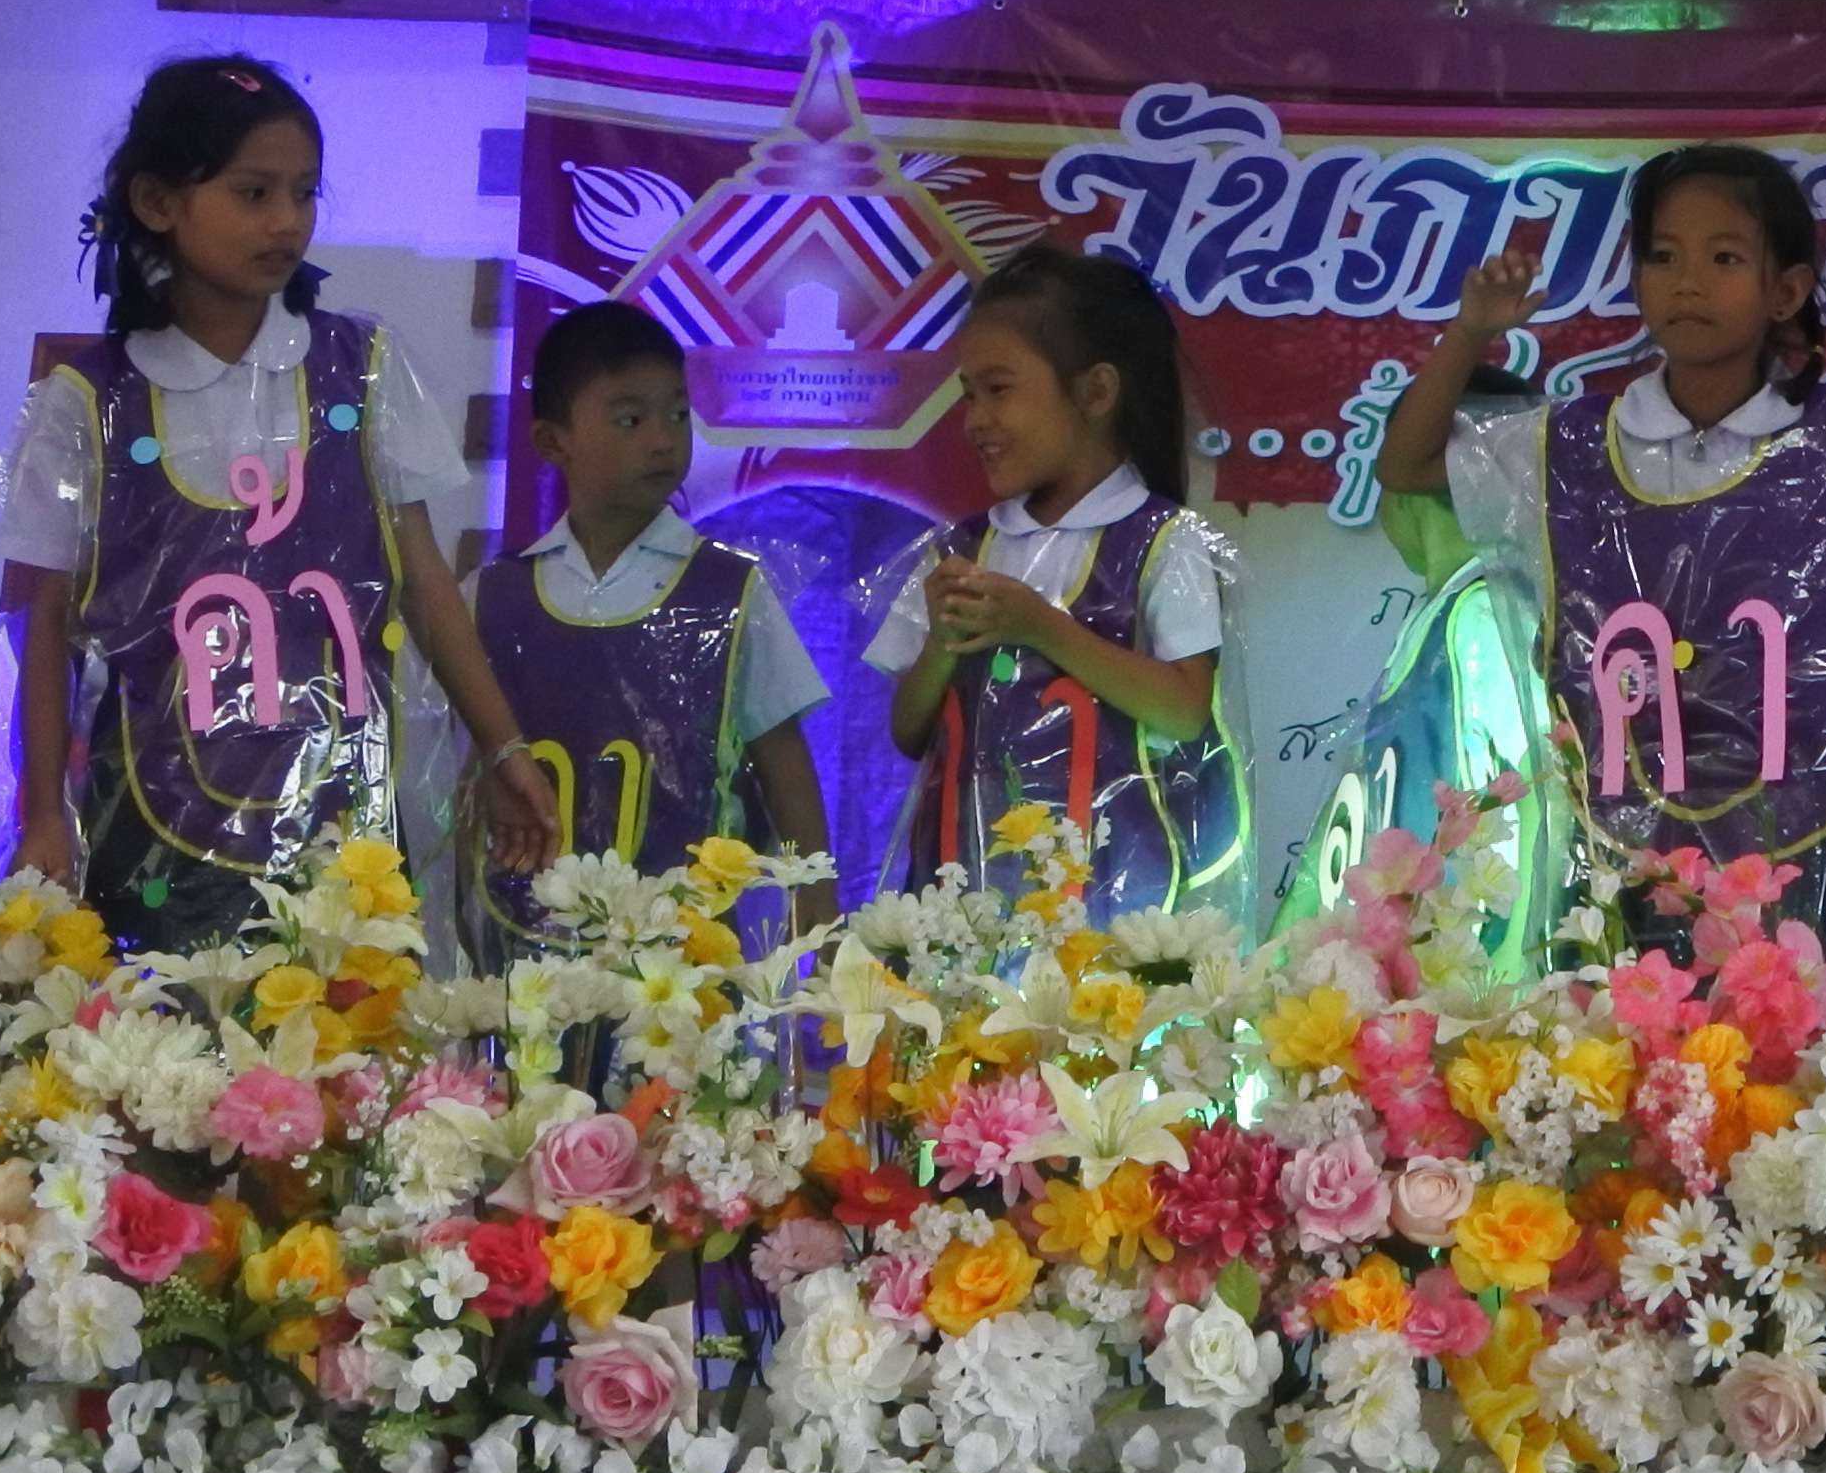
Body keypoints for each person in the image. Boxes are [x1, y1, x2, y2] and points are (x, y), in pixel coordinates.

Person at [1377, 145, 1826, 930]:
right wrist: (1468, 333)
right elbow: (1406, 464)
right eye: (1663, 257)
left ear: (1785, 291)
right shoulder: (1569, 446)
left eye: (1724, 258)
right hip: (1615, 858)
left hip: (1805, 850)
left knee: (1809, 1008)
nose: (1687, 281)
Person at [7, 59, 555, 942]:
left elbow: (423, 584)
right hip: (147, 826)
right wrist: (41, 812)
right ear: (157, 203)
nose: (287, 220)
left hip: (346, 821)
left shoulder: (363, 369)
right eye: (254, 192)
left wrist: (503, 746)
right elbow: (48, 628)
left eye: (304, 193)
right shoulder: (87, 402)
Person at [871, 245, 1244, 918]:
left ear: (1096, 392)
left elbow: (1184, 710)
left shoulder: (1165, 541)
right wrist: (941, 644)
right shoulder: (959, 550)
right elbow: (908, 731)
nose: (976, 420)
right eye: (969, 395)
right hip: (964, 898)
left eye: (999, 390)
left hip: (1114, 901)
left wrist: (1040, 626)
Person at [467, 300, 834, 952]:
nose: (663, 439)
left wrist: (821, 929)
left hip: (685, 964)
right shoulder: (492, 596)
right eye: (631, 419)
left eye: (677, 414)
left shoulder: (731, 591)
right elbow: (461, 775)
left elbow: (786, 766)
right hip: (519, 951)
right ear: (552, 442)